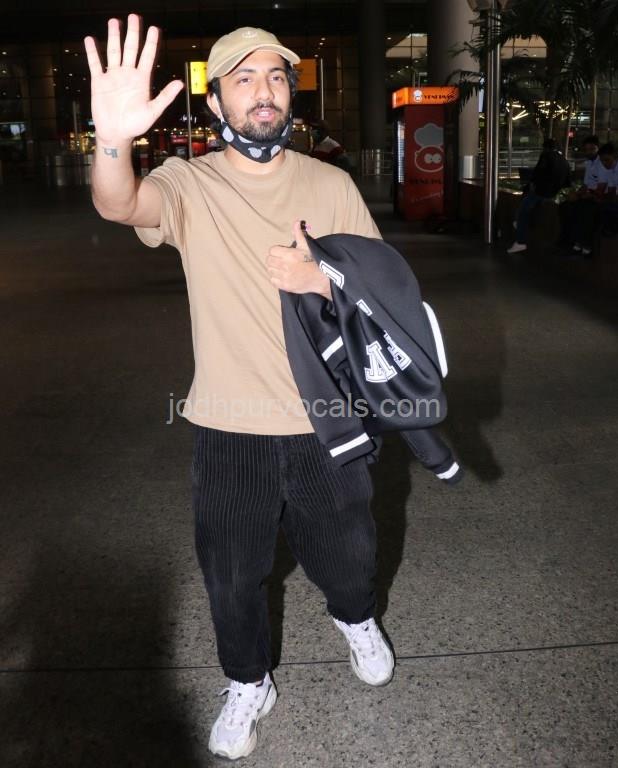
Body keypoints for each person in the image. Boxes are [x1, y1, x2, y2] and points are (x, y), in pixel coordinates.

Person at [84, 15, 394, 762]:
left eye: (276, 76)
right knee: (231, 575)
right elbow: (119, 204)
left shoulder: (330, 183)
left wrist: (321, 279)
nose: (264, 90)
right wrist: (112, 141)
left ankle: (355, 617)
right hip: (228, 424)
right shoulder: (188, 183)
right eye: (244, 78)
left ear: (291, 94)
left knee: (350, 556)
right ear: (217, 100)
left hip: (328, 418)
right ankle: (248, 681)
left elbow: (384, 294)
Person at [507, 138, 572, 254]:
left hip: (543, 192)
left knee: (524, 210)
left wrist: (533, 185)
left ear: (545, 147)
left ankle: (520, 240)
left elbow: (538, 173)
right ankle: (520, 224)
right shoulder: (564, 160)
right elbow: (568, 181)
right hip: (554, 193)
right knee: (528, 207)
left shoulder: (546, 156)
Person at [558, 135, 607, 255]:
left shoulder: (602, 163)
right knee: (565, 206)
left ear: (598, 148)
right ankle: (569, 241)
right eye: (587, 149)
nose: (589, 152)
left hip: (598, 197)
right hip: (587, 195)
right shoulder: (589, 163)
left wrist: (582, 196)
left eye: (592, 149)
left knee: (584, 209)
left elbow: (602, 188)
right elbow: (586, 185)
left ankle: (585, 244)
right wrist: (576, 193)